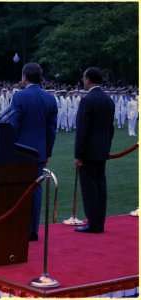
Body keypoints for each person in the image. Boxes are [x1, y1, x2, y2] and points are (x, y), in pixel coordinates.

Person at [8, 62, 58, 241]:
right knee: (35, 191)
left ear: (24, 77)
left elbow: (13, 125)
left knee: (19, 190)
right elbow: (51, 131)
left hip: (20, 151)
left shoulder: (19, 97)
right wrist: (48, 152)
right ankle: (32, 230)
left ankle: (19, 226)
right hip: (39, 152)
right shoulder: (50, 98)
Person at [74, 67, 115, 233]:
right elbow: (110, 129)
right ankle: (99, 221)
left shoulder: (87, 100)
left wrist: (78, 154)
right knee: (100, 186)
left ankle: (93, 223)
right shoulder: (108, 100)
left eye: (84, 78)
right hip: (102, 150)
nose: (83, 81)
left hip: (89, 152)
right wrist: (106, 146)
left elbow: (82, 130)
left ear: (89, 79)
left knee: (89, 188)